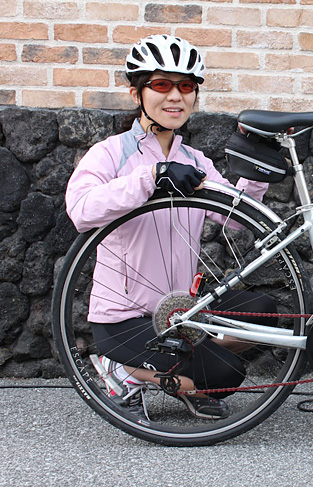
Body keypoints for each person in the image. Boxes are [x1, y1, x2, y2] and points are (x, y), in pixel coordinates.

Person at [65, 35, 274, 420]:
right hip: (124, 318)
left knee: (261, 312)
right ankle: (121, 371)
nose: (175, 96)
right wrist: (151, 177)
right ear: (136, 94)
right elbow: (81, 210)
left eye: (186, 87)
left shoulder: (194, 160)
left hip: (180, 312)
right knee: (226, 375)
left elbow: (234, 218)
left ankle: (178, 370)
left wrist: (257, 170)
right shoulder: (111, 153)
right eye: (161, 85)